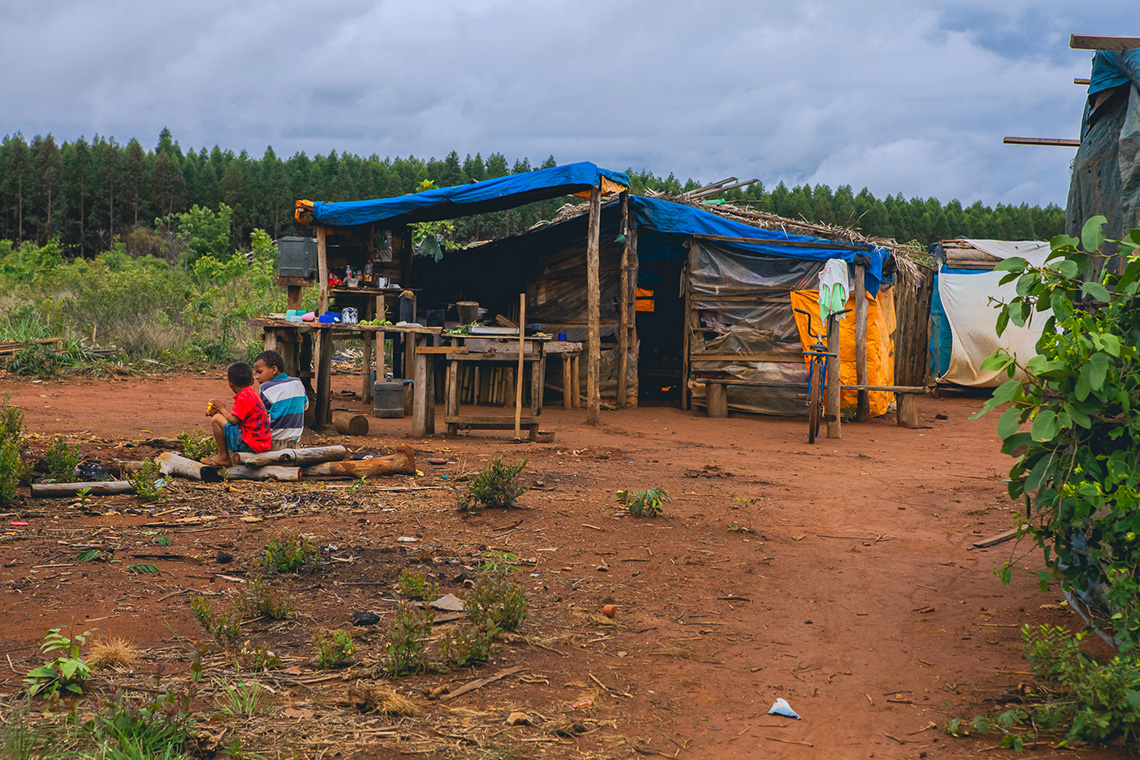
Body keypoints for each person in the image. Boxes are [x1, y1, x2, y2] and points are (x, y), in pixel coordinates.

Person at [204, 362, 272, 466]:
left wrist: (221, 409)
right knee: (219, 416)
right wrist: (220, 411)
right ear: (252, 381)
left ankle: (223, 457)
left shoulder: (243, 396)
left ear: (230, 383)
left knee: (216, 419)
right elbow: (238, 419)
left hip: (250, 445)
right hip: (262, 444)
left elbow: (233, 420)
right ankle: (224, 456)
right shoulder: (252, 393)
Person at [252, 349, 308, 448]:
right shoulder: (297, 383)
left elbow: (261, 414)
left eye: (260, 372)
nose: (257, 376)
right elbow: (305, 406)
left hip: (272, 440)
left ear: (274, 369)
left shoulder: (266, 387)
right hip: (295, 440)